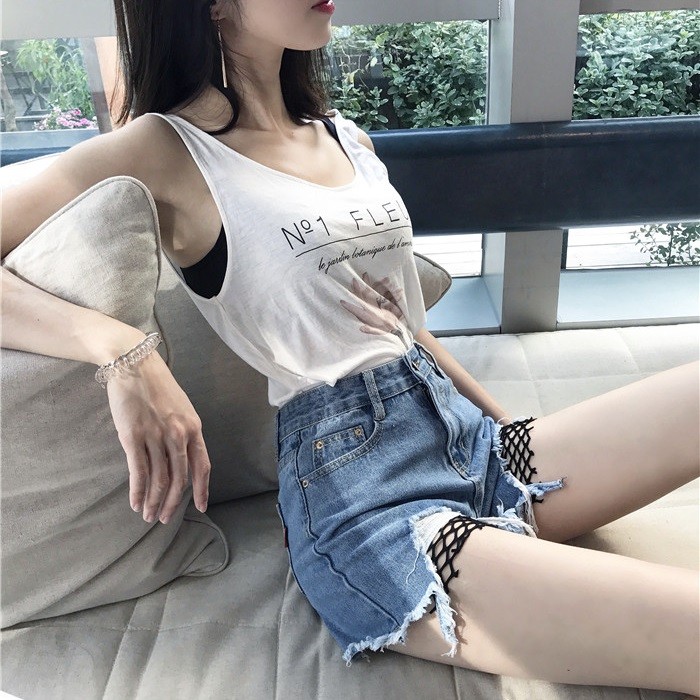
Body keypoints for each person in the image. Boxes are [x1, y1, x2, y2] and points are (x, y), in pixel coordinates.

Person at [2, 0, 698, 694]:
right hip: (368, 505)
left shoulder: (345, 136)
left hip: (466, 440)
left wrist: (504, 423)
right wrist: (121, 349)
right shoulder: (163, 147)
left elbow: (403, 324)